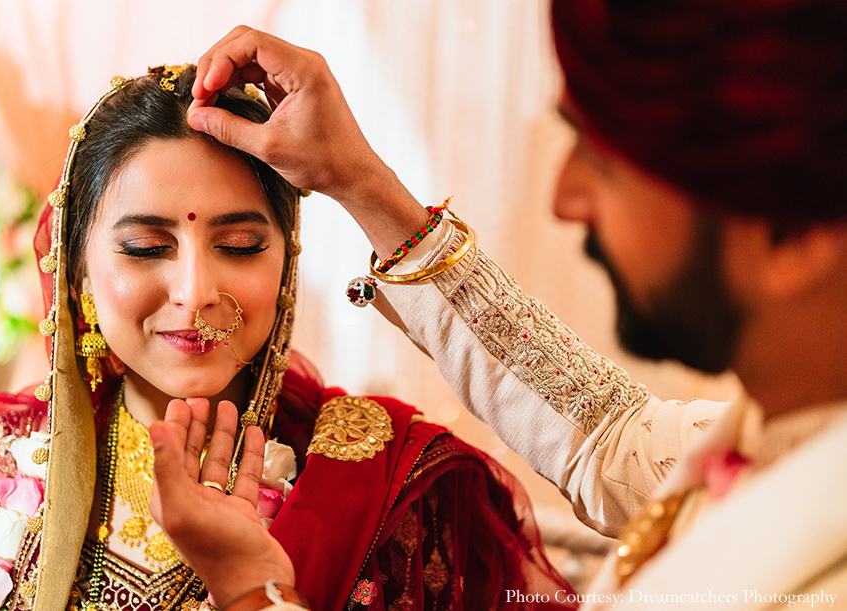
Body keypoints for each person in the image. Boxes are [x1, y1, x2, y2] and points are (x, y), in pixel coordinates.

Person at [152, 2, 847, 609]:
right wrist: (358, 180)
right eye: (144, 245)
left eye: (603, 159)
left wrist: (252, 588)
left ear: (791, 235)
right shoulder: (775, 428)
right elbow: (608, 436)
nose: (564, 198)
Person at [0, 65, 575, 610]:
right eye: (146, 247)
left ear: (286, 261)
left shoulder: (392, 489)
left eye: (239, 245)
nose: (195, 292)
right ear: (76, 272)